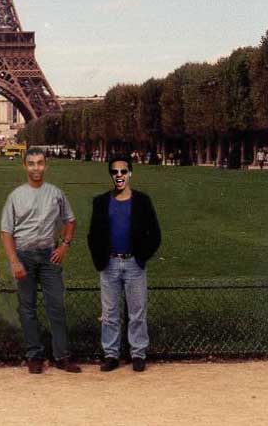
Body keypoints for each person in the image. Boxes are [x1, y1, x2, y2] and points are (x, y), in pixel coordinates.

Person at [1, 147, 81, 374]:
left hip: (49, 255)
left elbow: (71, 220)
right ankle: (34, 356)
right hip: (24, 256)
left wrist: (65, 244)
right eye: (31, 163)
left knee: (56, 306)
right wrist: (14, 261)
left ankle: (61, 355)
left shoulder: (56, 193)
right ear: (25, 166)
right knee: (27, 309)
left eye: (39, 163)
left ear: (45, 165)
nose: (36, 167)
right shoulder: (16, 196)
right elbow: (6, 232)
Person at [87, 154, 161, 373]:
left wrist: (142, 257)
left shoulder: (142, 200)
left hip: (133, 263)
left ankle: (138, 353)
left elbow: (155, 233)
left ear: (130, 173)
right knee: (109, 313)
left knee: (137, 312)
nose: (119, 175)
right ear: (110, 174)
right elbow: (93, 234)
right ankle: (111, 354)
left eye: (123, 171)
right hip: (109, 263)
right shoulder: (101, 201)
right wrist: (99, 260)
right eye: (114, 171)